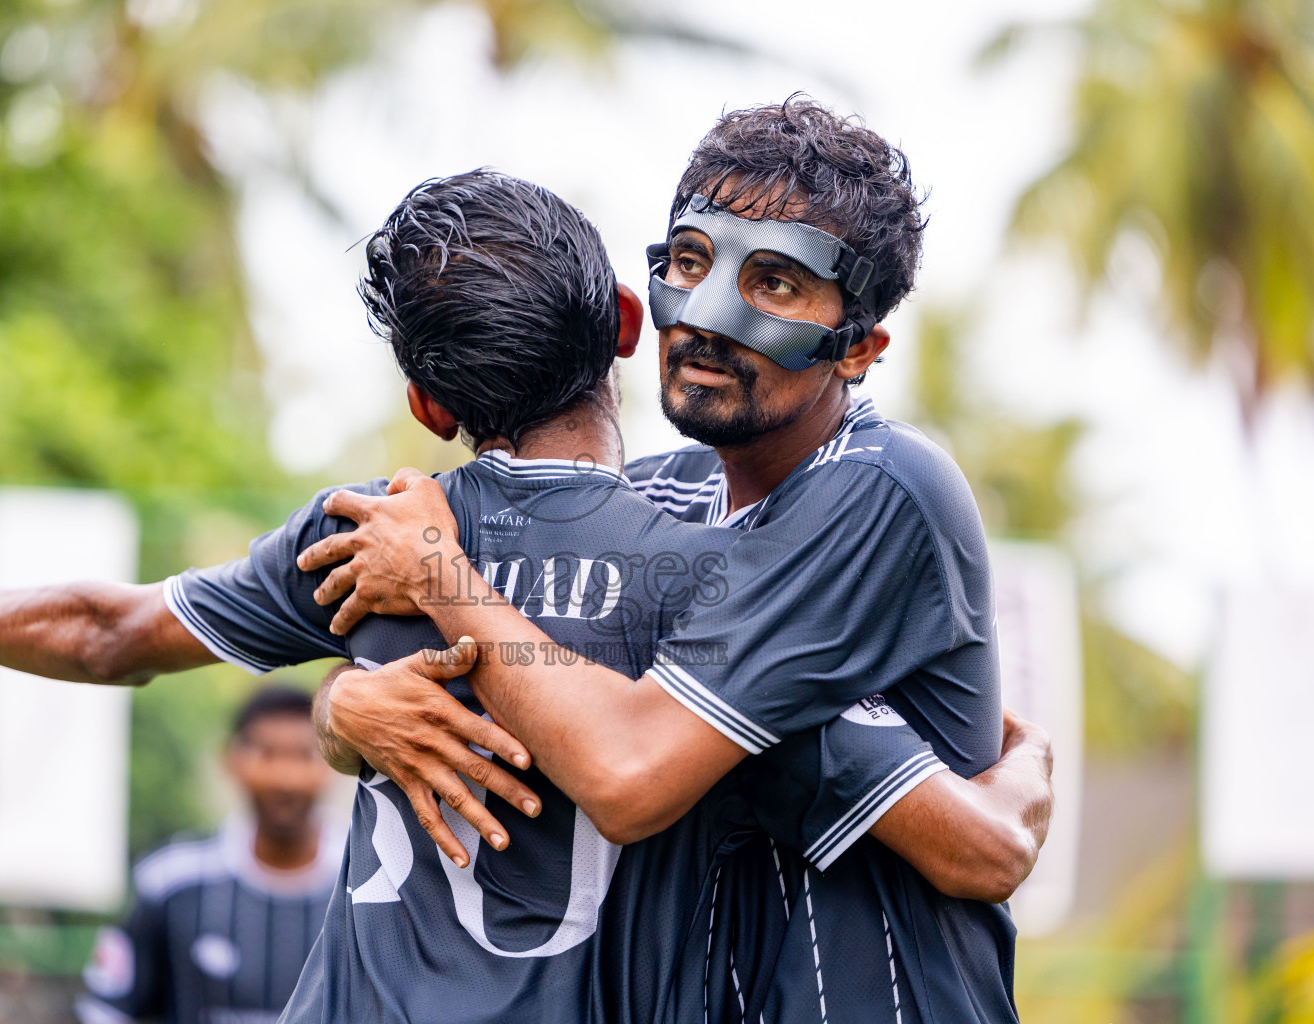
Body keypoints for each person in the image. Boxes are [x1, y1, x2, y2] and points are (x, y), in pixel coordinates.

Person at [0, 169, 1048, 1024]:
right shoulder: (717, 572)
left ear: (428, 403)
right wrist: (1007, 795)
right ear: (631, 327)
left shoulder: (372, 530)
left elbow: (113, 630)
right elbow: (924, 806)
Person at [297, 98, 1031, 1023]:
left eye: (777, 284)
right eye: (693, 260)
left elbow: (627, 770)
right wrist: (346, 708)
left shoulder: (881, 488)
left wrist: (442, 574)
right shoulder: (657, 499)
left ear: (862, 349)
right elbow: (503, 678)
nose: (710, 317)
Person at [75, 685, 344, 1024]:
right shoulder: (169, 882)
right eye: (267, 754)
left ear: (336, 760)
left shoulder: (371, 883)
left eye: (304, 755)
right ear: (231, 759)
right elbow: (105, 1008)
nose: (285, 777)